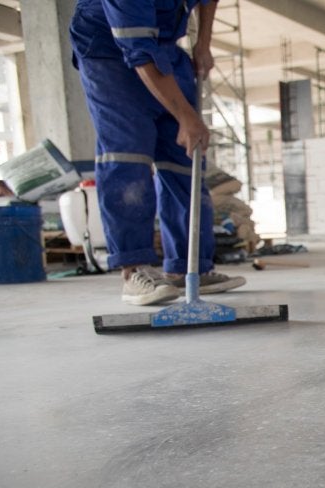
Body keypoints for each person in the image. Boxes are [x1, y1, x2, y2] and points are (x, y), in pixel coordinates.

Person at [70, 0, 246, 306]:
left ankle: (188, 267)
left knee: (184, 156)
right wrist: (186, 116)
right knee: (128, 153)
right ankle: (133, 269)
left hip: (164, 45)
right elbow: (138, 50)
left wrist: (203, 43)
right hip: (107, 48)